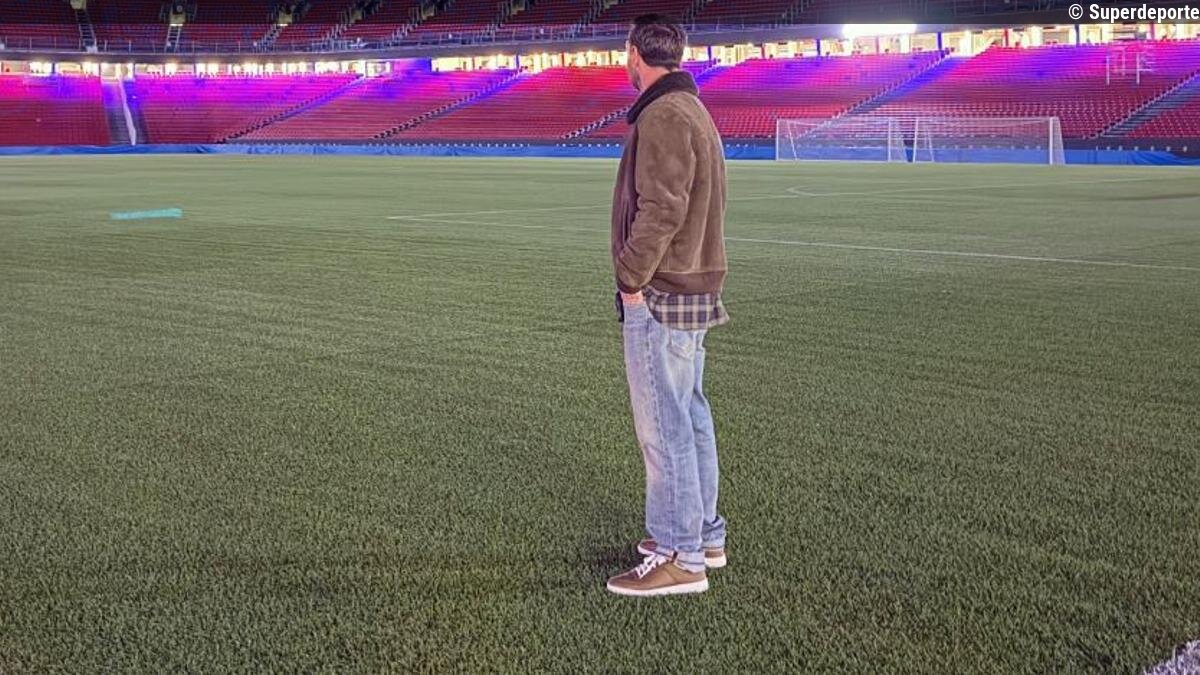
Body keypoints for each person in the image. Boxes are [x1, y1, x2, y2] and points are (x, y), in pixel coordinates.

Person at [605, 14, 730, 597]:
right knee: (690, 414)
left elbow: (662, 208)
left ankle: (681, 555)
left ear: (635, 53)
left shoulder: (662, 114)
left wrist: (630, 277)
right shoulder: (691, 109)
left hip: (664, 291)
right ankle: (703, 535)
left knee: (664, 425)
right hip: (693, 285)